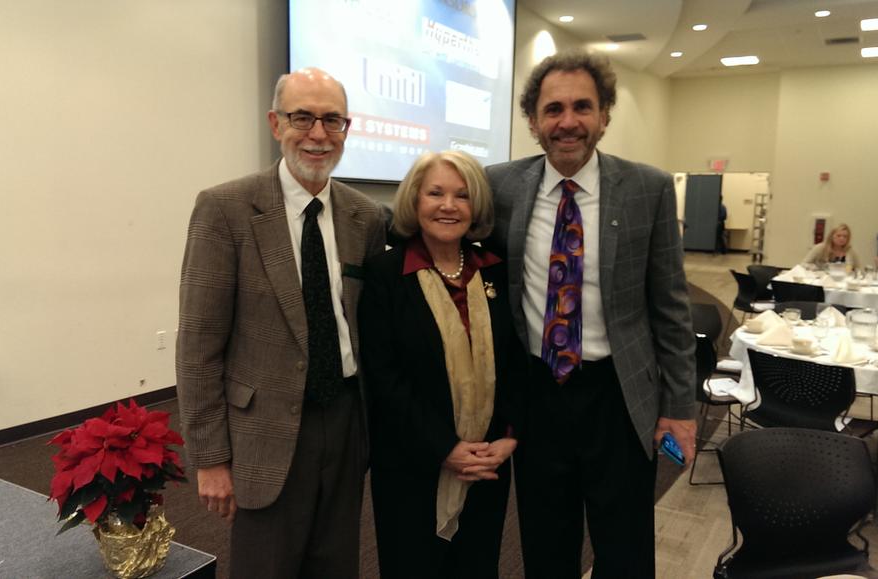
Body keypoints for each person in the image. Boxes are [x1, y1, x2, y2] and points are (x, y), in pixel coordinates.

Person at [484, 50, 697, 578]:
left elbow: (671, 308)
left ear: (604, 115)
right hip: (538, 396)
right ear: (533, 121)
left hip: (620, 398)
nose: (568, 121)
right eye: (553, 109)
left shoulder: (647, 189)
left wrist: (679, 408)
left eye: (583, 106)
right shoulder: (499, 186)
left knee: (624, 551)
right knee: (546, 546)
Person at [175, 68, 386, 578]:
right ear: (275, 124)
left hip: (346, 420)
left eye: (332, 120)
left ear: (347, 128)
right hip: (262, 427)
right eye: (302, 118)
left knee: (336, 564)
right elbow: (199, 345)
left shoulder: (366, 217)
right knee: (265, 567)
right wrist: (210, 459)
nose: (318, 134)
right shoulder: (225, 209)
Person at [358, 151, 523, 579]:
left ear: (476, 206)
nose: (448, 206)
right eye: (435, 193)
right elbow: (384, 378)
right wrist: (445, 448)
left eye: (461, 195)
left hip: (486, 463)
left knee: (477, 566)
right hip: (412, 465)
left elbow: (517, 364)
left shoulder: (497, 271)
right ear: (415, 200)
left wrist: (508, 437)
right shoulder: (385, 275)